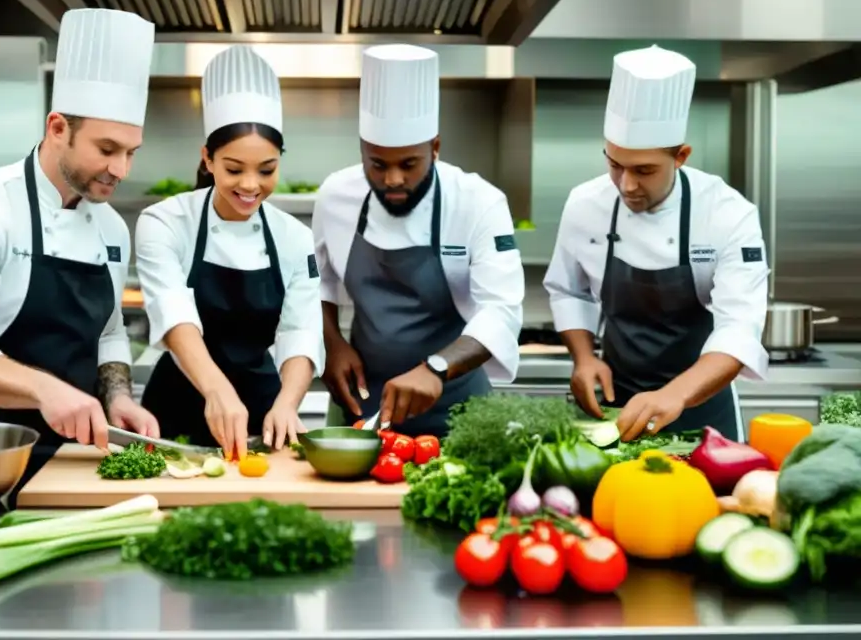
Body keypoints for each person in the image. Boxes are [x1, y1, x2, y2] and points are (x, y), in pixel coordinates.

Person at [0, 8, 160, 494]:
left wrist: (117, 396)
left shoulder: (110, 227)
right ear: (57, 127)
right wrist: (46, 389)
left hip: (73, 461)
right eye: (107, 149)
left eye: (131, 152)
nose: (121, 169)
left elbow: (108, 332)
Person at [543, 45, 770, 443]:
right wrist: (583, 358)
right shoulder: (585, 203)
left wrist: (673, 396)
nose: (626, 185)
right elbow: (568, 290)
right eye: (614, 164)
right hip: (612, 405)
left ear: (681, 155)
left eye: (644, 170)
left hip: (701, 409)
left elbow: (739, 329)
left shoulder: (727, 213)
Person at [312, 44, 525, 438]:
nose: (393, 179)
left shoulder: (478, 202)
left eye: (409, 164)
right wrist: (331, 343)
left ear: (435, 148)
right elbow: (318, 282)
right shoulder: (335, 195)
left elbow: (502, 310)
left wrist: (436, 368)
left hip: (460, 409)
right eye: (377, 164)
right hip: (363, 407)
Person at [136, 45, 323, 460]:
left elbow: (301, 330)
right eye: (234, 169)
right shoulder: (165, 221)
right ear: (208, 158)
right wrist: (217, 389)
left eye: (268, 169)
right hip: (175, 411)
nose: (251, 185)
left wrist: (288, 403)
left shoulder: (293, 236)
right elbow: (173, 312)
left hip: (263, 413)